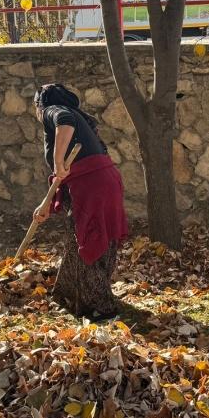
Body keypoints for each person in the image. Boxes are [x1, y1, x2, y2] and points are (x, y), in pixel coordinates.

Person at [32, 83, 130, 320]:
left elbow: (64, 121)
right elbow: (63, 178)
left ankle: (101, 309)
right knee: (94, 242)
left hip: (91, 187)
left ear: (39, 105)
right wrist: (45, 206)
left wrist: (57, 162)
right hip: (105, 182)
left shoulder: (53, 110)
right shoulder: (80, 117)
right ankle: (68, 294)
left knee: (86, 243)